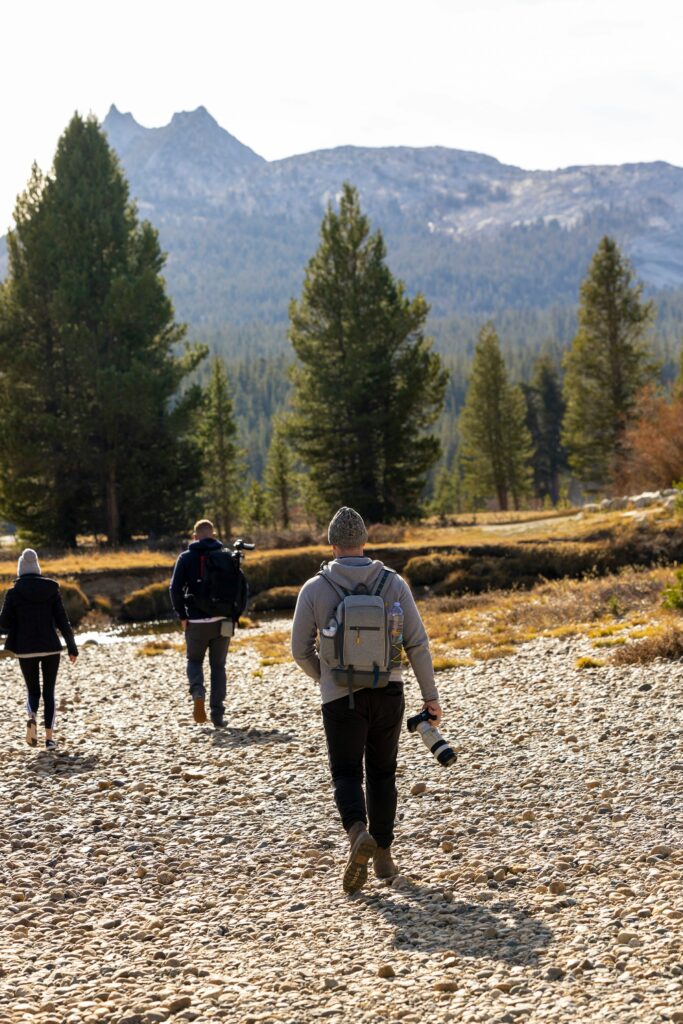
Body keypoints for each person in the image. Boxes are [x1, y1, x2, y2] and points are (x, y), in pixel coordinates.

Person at [292, 506, 442, 894]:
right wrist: (431, 697)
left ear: (332, 543)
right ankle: (385, 856)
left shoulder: (314, 588)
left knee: (345, 773)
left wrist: (325, 678)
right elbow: (417, 644)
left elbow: (298, 649)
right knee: (382, 774)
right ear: (365, 542)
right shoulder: (393, 583)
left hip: (341, 695)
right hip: (388, 690)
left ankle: (357, 831)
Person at [0, 548, 78, 751]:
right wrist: (72, 646)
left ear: (20, 569)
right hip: (51, 648)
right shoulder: (52, 589)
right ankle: (50, 739)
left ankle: (32, 717)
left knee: (33, 691)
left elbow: (5, 623)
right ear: (37, 567)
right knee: (49, 692)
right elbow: (62, 619)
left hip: (26, 650)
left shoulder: (14, 593)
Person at [169, 519, 233, 728]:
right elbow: (239, 586)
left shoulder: (186, 558)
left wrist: (182, 615)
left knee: (194, 661)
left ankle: (198, 692)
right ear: (213, 535)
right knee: (218, 666)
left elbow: (174, 589)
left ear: (194, 537)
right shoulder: (225, 555)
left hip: (196, 621)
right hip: (223, 621)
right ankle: (217, 715)